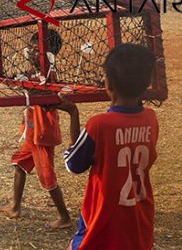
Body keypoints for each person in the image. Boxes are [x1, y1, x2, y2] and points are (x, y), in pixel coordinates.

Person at [58, 43, 159, 250]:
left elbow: (73, 164)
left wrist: (73, 114)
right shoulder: (150, 119)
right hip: (138, 222)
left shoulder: (99, 125)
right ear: (147, 83)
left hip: (102, 223)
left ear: (108, 84)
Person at [0, 31, 72, 229]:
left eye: (35, 49)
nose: (29, 52)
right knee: (19, 164)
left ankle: (64, 217)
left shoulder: (50, 74)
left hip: (43, 135)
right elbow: (26, 82)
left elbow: (47, 99)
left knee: (47, 177)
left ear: (48, 55)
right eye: (29, 48)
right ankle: (15, 206)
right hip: (32, 132)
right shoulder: (32, 71)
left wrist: (27, 86)